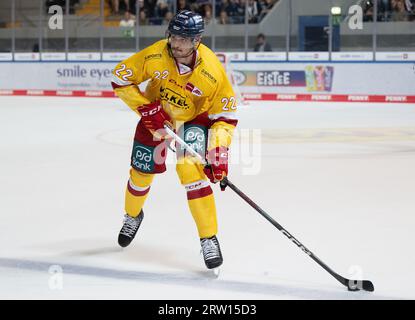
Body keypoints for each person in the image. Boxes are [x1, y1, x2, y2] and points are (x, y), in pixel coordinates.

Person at [111, 10, 238, 270]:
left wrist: (218, 154)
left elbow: (225, 117)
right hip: (156, 118)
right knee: (140, 174)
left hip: (193, 120)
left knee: (190, 171)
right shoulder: (156, 54)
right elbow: (119, 77)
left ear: (197, 40)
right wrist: (146, 109)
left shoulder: (212, 70)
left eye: (183, 39)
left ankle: (208, 238)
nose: (175, 43)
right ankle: (133, 216)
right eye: (173, 36)